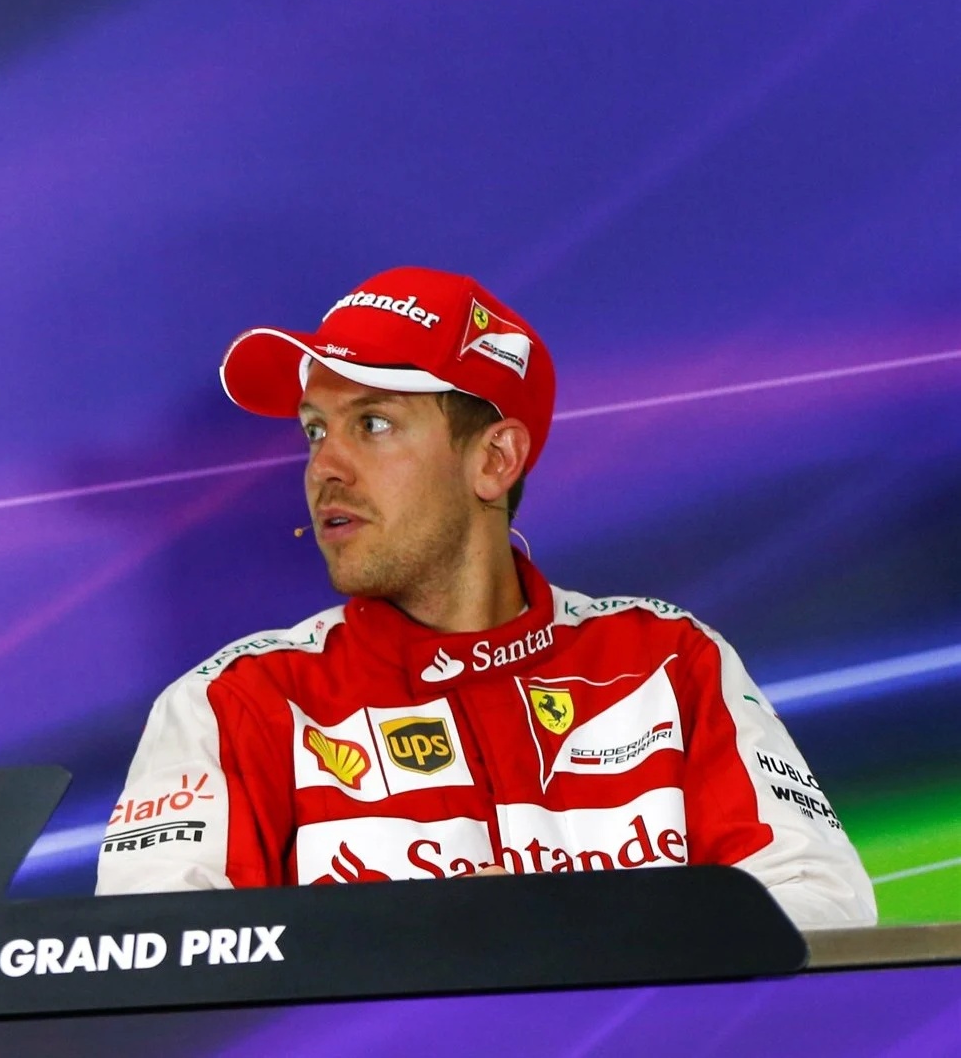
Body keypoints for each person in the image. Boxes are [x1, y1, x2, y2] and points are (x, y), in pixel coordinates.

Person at [95, 267, 875, 928]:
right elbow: (155, 976)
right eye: (312, 430)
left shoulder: (668, 662)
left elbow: (822, 911)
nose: (323, 467)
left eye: (371, 423)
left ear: (495, 459)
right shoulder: (233, 705)